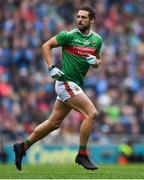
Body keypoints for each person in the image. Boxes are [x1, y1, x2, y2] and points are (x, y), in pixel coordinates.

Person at [13, 6, 103, 171]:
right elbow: (46, 46)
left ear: (92, 20)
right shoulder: (68, 35)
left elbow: (98, 61)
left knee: (53, 123)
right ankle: (82, 154)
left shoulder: (97, 40)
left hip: (74, 84)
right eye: (78, 17)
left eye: (83, 17)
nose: (79, 20)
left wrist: (95, 62)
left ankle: (23, 146)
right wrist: (51, 67)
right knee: (92, 114)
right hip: (65, 82)